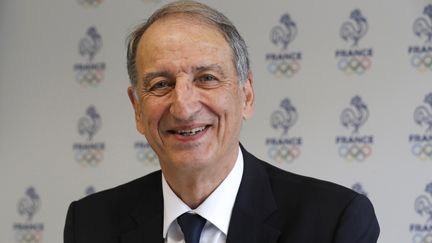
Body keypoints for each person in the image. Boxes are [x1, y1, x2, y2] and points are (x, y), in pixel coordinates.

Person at [64, 1, 380, 242]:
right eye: (161, 84)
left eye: (207, 78)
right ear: (137, 109)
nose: (184, 107)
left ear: (247, 95)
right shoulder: (90, 225)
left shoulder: (334, 222)